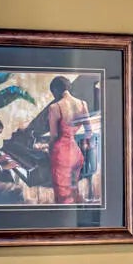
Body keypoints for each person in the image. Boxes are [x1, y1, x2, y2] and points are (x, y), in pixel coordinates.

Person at [30, 76, 92, 205]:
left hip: (61, 156)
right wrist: (84, 145)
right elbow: (89, 131)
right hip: (75, 154)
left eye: (53, 93)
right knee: (73, 190)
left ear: (55, 90)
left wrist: (44, 146)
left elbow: (54, 136)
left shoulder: (55, 107)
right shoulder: (83, 104)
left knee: (62, 196)